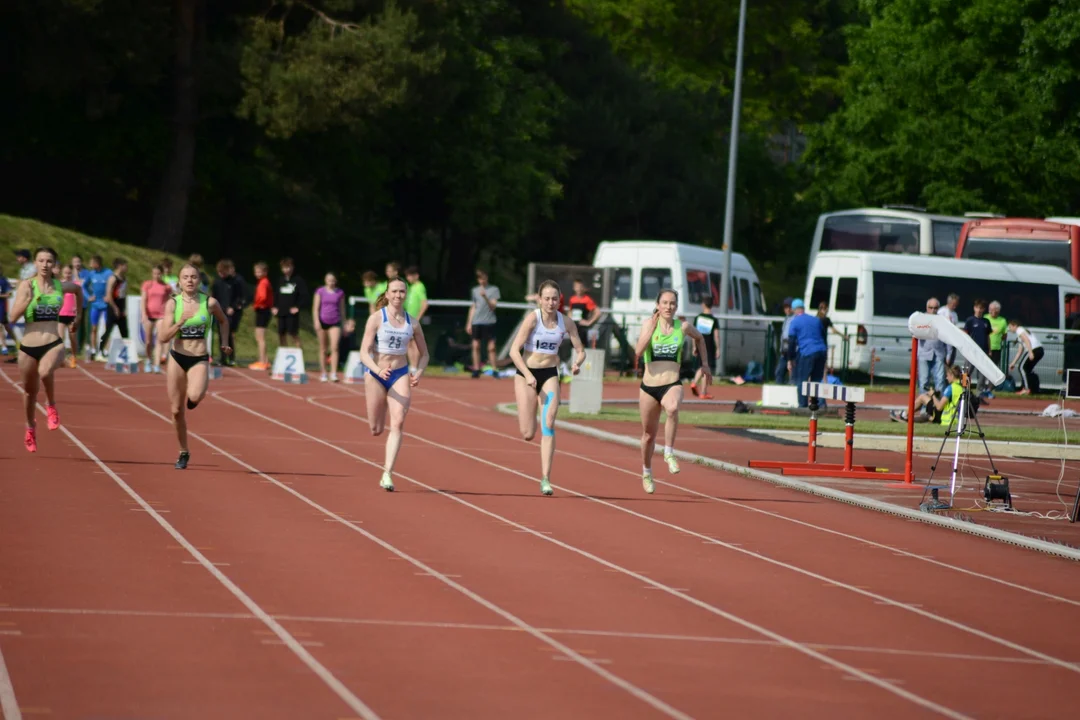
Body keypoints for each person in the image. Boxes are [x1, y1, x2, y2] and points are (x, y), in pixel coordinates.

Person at [508, 280, 587, 496]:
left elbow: (580, 350)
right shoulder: (532, 319)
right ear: (539, 299)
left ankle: (545, 479)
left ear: (559, 299)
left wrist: (577, 363)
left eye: (555, 299)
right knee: (527, 433)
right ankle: (529, 411)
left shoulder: (566, 322)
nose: (551, 303)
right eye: (547, 298)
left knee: (549, 422)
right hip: (527, 374)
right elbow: (514, 351)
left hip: (550, 374)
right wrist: (527, 373)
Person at [635, 289, 711, 494]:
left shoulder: (683, 326)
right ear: (658, 305)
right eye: (665, 303)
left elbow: (701, 339)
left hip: (672, 383)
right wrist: (650, 330)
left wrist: (704, 364)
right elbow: (638, 352)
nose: (669, 307)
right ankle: (647, 472)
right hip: (649, 387)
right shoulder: (648, 324)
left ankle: (668, 452)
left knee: (672, 407)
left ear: (676, 306)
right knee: (648, 436)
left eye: (673, 303)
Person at [8, 247, 83, 452]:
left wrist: (78, 317)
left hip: (53, 342)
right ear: (35, 263)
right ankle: (30, 427)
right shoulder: (27, 285)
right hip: (28, 346)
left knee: (45, 371)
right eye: (40, 261)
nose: (44, 265)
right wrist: (26, 300)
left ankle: (51, 405)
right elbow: (12, 318)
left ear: (54, 264)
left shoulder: (60, 286)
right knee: (29, 392)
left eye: (49, 261)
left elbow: (77, 289)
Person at [359, 277, 429, 491]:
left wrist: (418, 371)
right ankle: (380, 411)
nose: (398, 295)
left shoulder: (413, 323)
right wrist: (378, 369)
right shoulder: (376, 319)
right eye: (395, 291)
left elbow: (425, 354)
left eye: (402, 292)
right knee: (376, 428)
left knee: (397, 423)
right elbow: (364, 352)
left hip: (399, 374)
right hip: (376, 374)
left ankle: (387, 473)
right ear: (387, 294)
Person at [159, 264, 232, 469]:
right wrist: (178, 323)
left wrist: (224, 343)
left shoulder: (209, 303)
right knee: (175, 410)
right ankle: (183, 452)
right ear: (179, 282)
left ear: (199, 280)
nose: (190, 280)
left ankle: (193, 399)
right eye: (185, 277)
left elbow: (224, 321)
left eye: (193, 277)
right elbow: (164, 337)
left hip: (199, 358)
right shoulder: (173, 304)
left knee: (196, 395)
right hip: (177, 357)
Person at [890, 364, 964, 426]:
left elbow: (939, 407)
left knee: (923, 397)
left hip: (946, 419)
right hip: (955, 420)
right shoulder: (961, 388)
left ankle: (903, 414)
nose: (946, 378)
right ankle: (907, 419)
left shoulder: (950, 388)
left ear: (952, 375)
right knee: (926, 415)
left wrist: (933, 395)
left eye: (947, 375)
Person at [787, 298, 827, 408]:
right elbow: (823, 337)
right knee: (816, 381)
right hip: (821, 351)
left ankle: (802, 406)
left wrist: (790, 359)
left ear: (794, 310)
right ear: (803, 308)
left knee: (802, 380)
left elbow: (791, 342)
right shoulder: (816, 320)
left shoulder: (794, 322)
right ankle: (816, 406)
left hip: (807, 352)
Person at [466, 268, 500, 378]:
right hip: (477, 321)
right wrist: (469, 323)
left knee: (491, 347)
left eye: (483, 278)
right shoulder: (475, 290)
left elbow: (493, 306)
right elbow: (473, 307)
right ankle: (476, 369)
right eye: (480, 278)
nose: (482, 280)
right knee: (475, 345)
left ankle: (494, 369)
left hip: (489, 321)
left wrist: (485, 297)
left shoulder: (494, 290)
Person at [313, 272, 346, 382]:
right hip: (322, 321)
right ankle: (323, 372)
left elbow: (342, 309)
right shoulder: (320, 291)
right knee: (323, 348)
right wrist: (316, 321)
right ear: (325, 280)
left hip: (335, 321)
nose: (331, 282)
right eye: (329, 280)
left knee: (335, 347)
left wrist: (344, 323)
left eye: (333, 280)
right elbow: (315, 308)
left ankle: (333, 372)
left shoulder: (340, 293)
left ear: (335, 281)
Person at [141, 265, 172, 373]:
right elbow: (143, 300)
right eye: (155, 273)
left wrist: (168, 315)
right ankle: (148, 360)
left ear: (162, 274)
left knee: (159, 340)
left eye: (159, 273)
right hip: (149, 315)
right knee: (148, 341)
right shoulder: (147, 285)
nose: (157, 276)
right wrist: (144, 314)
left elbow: (169, 301)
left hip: (161, 315)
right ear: (152, 274)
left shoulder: (166, 287)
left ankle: (157, 364)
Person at [690, 298, 720, 398]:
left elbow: (694, 333)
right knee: (705, 367)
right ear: (712, 305)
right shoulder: (713, 319)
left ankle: (695, 384)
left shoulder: (698, 317)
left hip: (699, 343)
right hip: (709, 345)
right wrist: (718, 348)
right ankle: (702, 391)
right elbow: (716, 335)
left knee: (702, 367)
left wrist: (694, 346)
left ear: (703, 305)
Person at [248, 262, 274, 370]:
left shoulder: (263, 282)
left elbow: (263, 297)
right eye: (256, 272)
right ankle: (266, 360)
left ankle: (262, 361)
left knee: (260, 337)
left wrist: (256, 304)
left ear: (265, 272)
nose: (257, 274)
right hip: (264, 310)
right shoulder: (263, 282)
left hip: (262, 310)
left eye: (259, 272)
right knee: (260, 337)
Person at [1007, 320, 1044, 395]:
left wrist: (1030, 352)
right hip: (1039, 350)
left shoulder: (1019, 330)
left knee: (1022, 367)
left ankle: (1026, 389)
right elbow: (1020, 351)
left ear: (1015, 325)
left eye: (1010, 327)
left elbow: (1027, 341)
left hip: (1034, 349)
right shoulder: (1020, 334)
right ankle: (1033, 388)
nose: (1009, 329)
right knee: (1027, 369)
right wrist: (1013, 363)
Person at [58, 265, 79, 367]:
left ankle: (74, 356)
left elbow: (77, 297)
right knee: (60, 337)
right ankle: (62, 358)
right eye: (65, 273)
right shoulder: (59, 284)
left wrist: (76, 309)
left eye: (69, 273)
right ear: (62, 273)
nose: (67, 275)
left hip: (72, 315)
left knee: (72, 338)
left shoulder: (75, 285)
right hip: (61, 314)